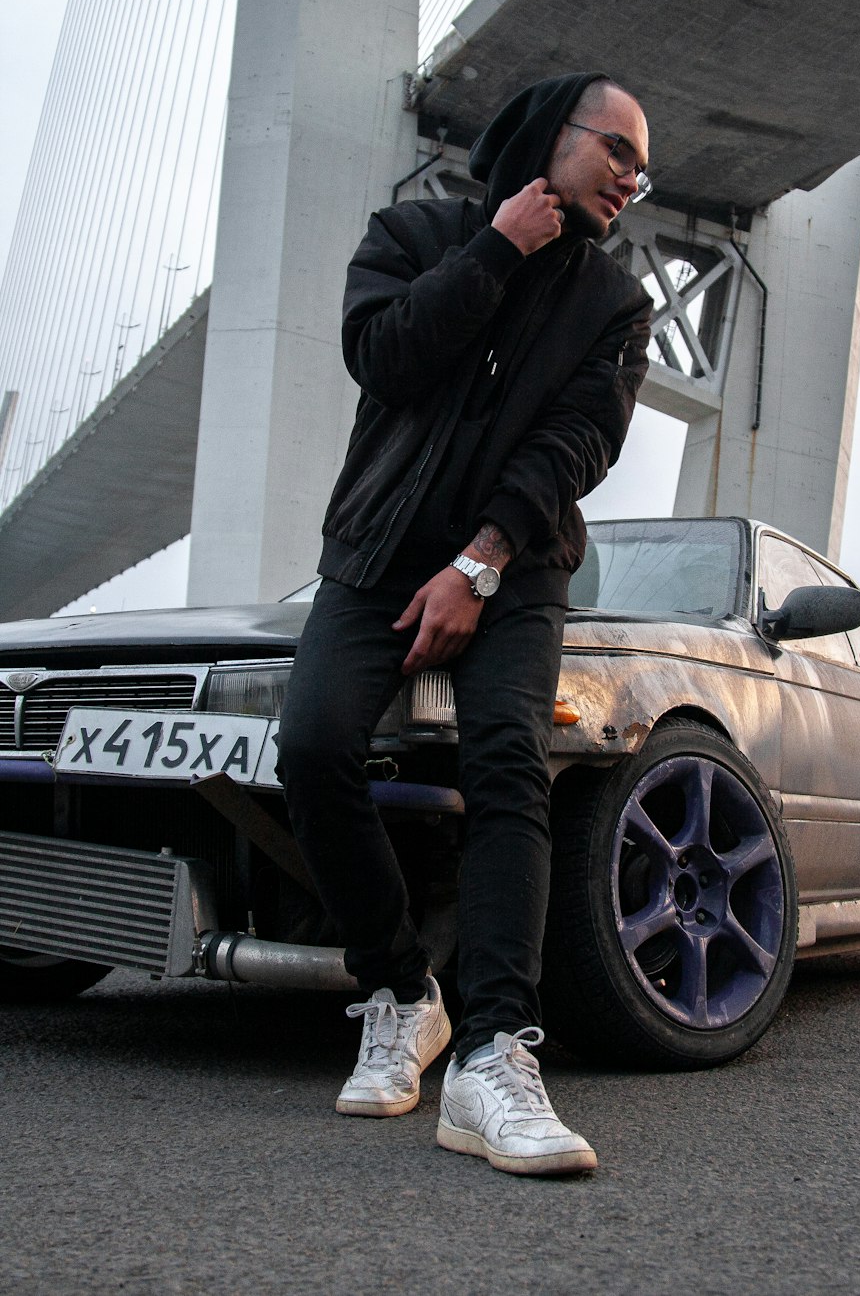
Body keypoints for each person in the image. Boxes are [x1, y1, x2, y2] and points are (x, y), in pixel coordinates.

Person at [277, 72, 652, 1176]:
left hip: (517, 563)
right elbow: (382, 357)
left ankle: (493, 1053)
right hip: (375, 549)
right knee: (313, 746)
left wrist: (478, 566)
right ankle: (400, 991)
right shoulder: (413, 232)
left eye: (642, 164)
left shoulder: (615, 306)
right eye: (617, 149)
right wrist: (495, 250)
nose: (634, 176)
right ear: (550, 137)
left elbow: (576, 445)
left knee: (505, 762)